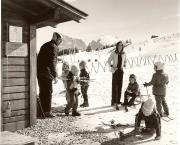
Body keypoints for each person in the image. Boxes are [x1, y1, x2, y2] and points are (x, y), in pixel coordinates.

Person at [37, 32, 63, 118]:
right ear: (57, 39)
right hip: (46, 73)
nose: (60, 43)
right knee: (48, 92)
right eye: (60, 40)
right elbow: (52, 62)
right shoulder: (54, 47)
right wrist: (55, 75)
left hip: (39, 72)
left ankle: (41, 111)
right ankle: (47, 111)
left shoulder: (45, 45)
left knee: (42, 92)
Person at [107, 41, 127, 110]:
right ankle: (114, 101)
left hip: (120, 71)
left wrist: (124, 65)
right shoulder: (114, 53)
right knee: (115, 87)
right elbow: (109, 61)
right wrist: (112, 66)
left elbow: (125, 61)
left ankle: (118, 101)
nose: (120, 47)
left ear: (122, 47)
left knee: (120, 86)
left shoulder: (124, 53)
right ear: (117, 46)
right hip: (115, 71)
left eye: (121, 45)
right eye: (119, 45)